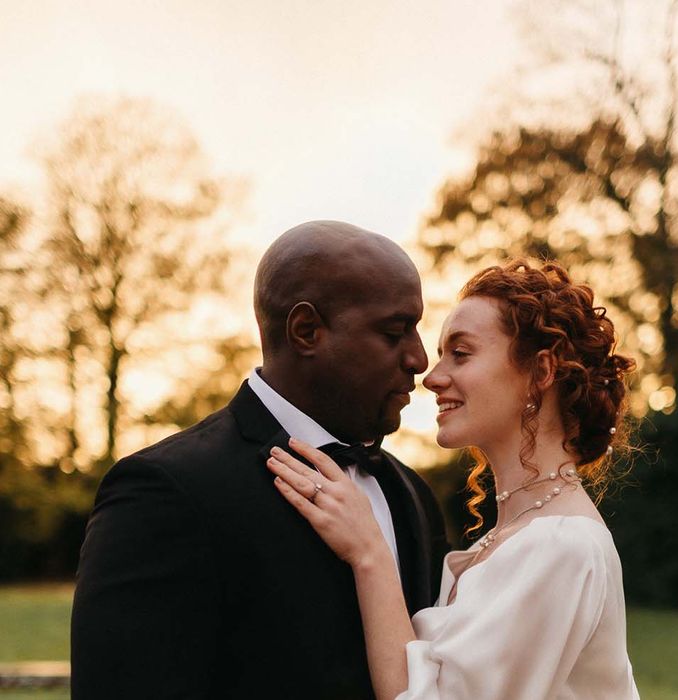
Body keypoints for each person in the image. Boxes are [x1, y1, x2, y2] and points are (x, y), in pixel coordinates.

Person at [70, 221, 449, 699]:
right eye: (395, 332)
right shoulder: (167, 490)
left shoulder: (411, 494)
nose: (418, 358)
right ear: (306, 331)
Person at [267, 259, 641, 700]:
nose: (432, 377)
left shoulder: (561, 546)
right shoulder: (507, 541)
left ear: (541, 373)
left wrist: (369, 551)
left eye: (460, 354)